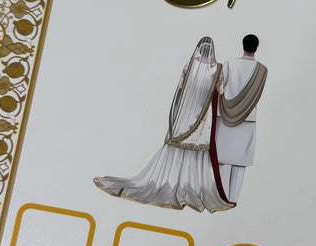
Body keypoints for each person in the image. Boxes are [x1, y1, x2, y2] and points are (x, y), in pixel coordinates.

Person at [94, 37, 234, 212]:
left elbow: (181, 86)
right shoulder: (218, 68)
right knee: (196, 152)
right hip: (203, 117)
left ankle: (173, 181)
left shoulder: (190, 64)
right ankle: (192, 184)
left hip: (184, 115)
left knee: (177, 149)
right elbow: (221, 91)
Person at [216, 34, 267, 203]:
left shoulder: (230, 64)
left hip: (225, 116)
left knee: (221, 160)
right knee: (240, 163)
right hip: (247, 118)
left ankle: (219, 198)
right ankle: (233, 200)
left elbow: (219, 88)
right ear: (256, 47)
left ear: (243, 45)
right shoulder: (262, 70)